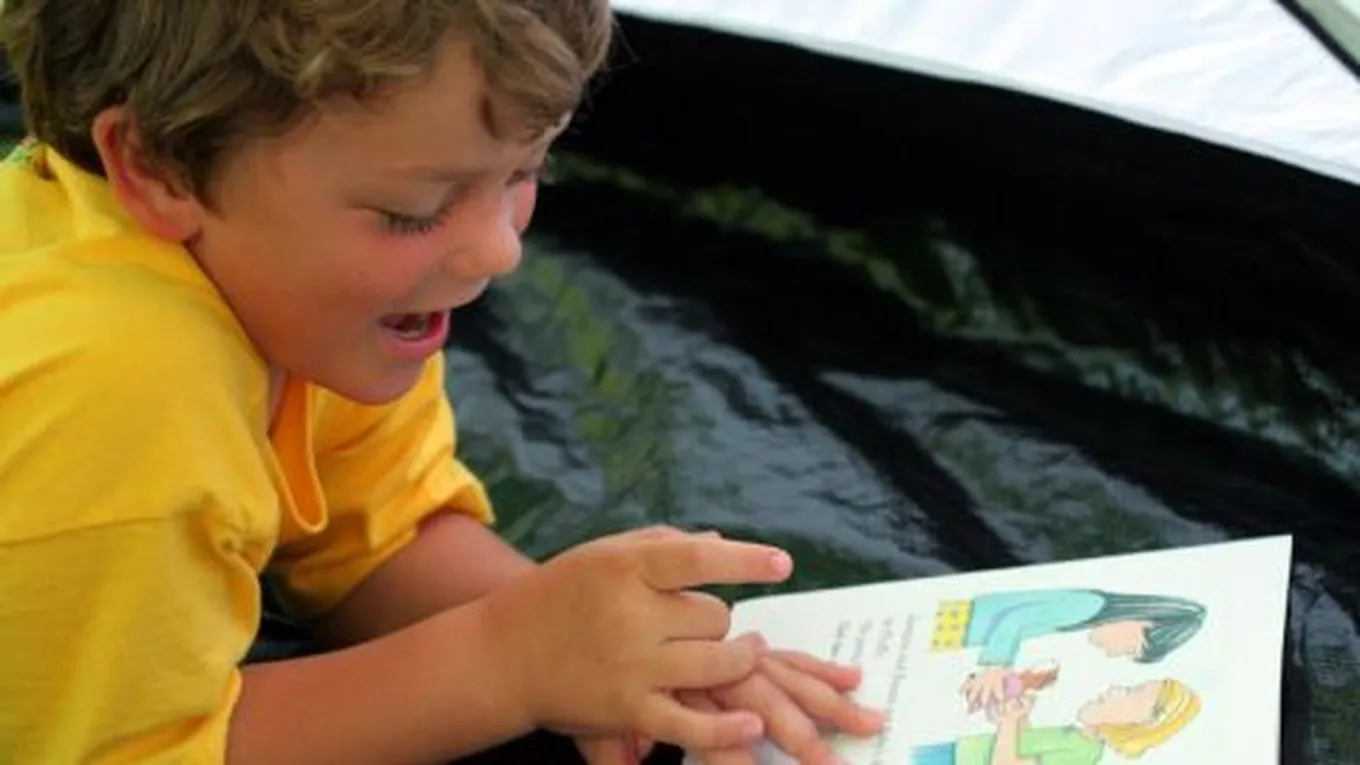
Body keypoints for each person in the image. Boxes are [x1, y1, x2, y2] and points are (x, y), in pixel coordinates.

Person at [0, 2, 885, 763]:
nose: (498, 251)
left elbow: (383, 535)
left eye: (525, 172)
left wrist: (606, 647)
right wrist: (502, 663)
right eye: (413, 212)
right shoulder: (116, 387)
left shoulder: (300, 301)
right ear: (158, 168)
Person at [929, 589, 1206, 709]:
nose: (1113, 653)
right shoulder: (1089, 605)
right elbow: (1016, 618)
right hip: (953, 623)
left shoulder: (1086, 614)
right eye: (1130, 648)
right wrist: (995, 667)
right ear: (1143, 620)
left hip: (957, 628)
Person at [912, 677, 1201, 765]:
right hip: (958, 752)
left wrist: (1009, 723)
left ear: (1144, 723)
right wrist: (1021, 718)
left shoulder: (1083, 753)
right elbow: (1025, 748)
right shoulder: (1077, 737)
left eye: (1131, 692)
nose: (1114, 688)